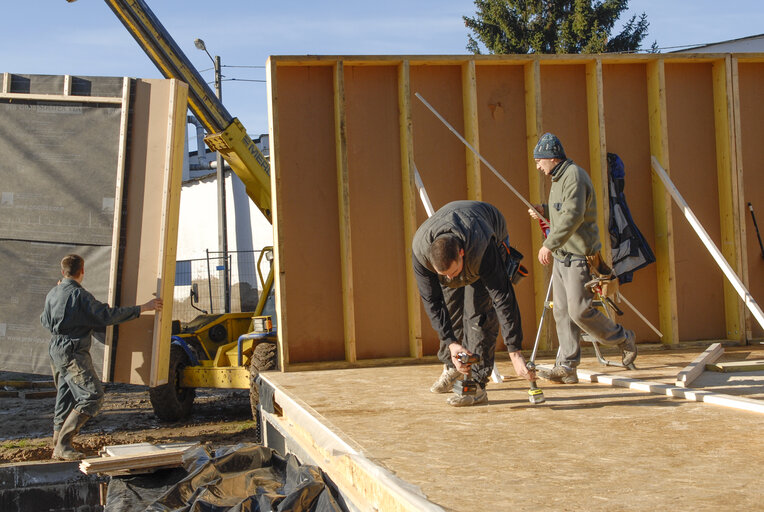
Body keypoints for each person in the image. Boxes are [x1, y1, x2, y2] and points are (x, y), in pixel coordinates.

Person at [528, 133, 637, 384]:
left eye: (539, 161)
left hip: (578, 257)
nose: (538, 166)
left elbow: (573, 217)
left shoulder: (574, 177)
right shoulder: (558, 178)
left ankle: (622, 338)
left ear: (552, 158)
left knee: (579, 311)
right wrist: (544, 211)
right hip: (562, 256)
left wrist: (548, 244)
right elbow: (562, 211)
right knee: (563, 313)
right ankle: (567, 368)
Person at [40, 254, 163, 460]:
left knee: (66, 396)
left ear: (63, 272)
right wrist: (143, 308)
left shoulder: (54, 292)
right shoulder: (80, 295)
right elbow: (107, 316)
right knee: (92, 395)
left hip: (56, 349)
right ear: (82, 271)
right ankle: (63, 444)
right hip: (73, 351)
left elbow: (44, 320)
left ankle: (57, 442)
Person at [412, 200, 534, 407]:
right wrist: (451, 342)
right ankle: (453, 366)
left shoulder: (482, 249)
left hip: (486, 230)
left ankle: (477, 386)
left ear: (461, 253)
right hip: (457, 232)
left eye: (452, 273)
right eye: (445, 275)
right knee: (449, 308)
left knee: (479, 316)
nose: (450, 279)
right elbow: (433, 302)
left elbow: (503, 297)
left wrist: (515, 351)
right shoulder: (421, 253)